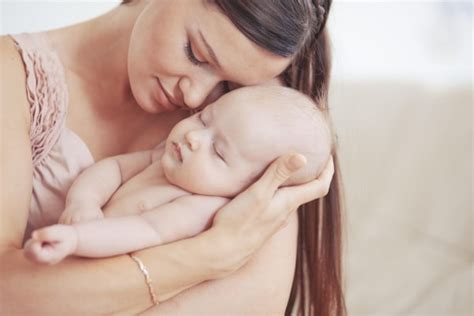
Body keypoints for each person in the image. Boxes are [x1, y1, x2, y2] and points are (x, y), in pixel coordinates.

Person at [0, 0, 345, 315]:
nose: (195, 97)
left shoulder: (252, 123)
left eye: (229, 85)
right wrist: (210, 255)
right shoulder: (11, 76)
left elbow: (251, 303)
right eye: (195, 53)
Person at [24, 86, 332, 265]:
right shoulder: (164, 158)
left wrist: (77, 238)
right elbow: (113, 168)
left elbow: (143, 230)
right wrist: (84, 202)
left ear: (248, 189)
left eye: (219, 152)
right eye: (203, 118)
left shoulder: (200, 207)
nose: (195, 138)